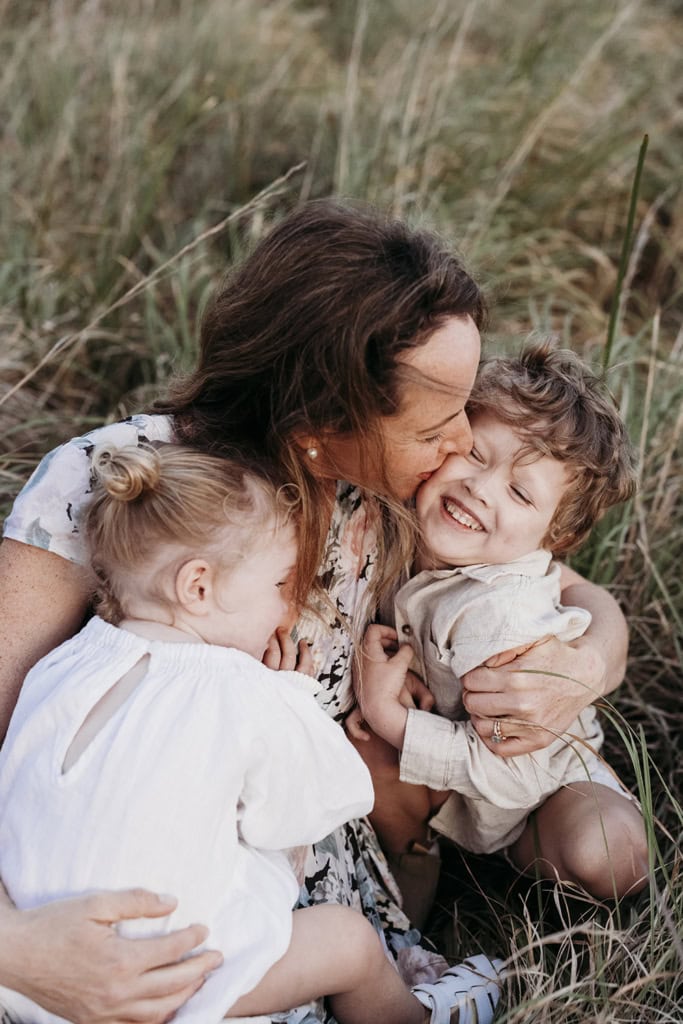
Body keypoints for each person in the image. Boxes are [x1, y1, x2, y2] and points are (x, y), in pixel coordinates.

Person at [0, 200, 630, 1024]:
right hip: (111, 902)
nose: (460, 450)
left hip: (306, 892)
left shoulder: (391, 494)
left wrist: (588, 661)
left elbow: (560, 582)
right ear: (325, 416)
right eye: (441, 423)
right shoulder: (109, 487)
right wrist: (21, 951)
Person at [0, 442, 505, 1024]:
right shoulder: (235, 687)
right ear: (198, 587)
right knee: (348, 942)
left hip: (42, 972)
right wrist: (293, 698)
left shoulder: (61, 664)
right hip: (163, 979)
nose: (287, 613)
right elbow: (321, 804)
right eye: (278, 585)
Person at [353, 344, 648, 904]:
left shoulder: (503, 615)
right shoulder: (420, 528)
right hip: (453, 781)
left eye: (518, 491)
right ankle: (418, 862)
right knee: (365, 746)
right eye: (474, 454)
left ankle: (576, 862)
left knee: (608, 854)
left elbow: (516, 775)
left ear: (551, 537)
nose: (480, 487)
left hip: (538, 788)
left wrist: (390, 716)